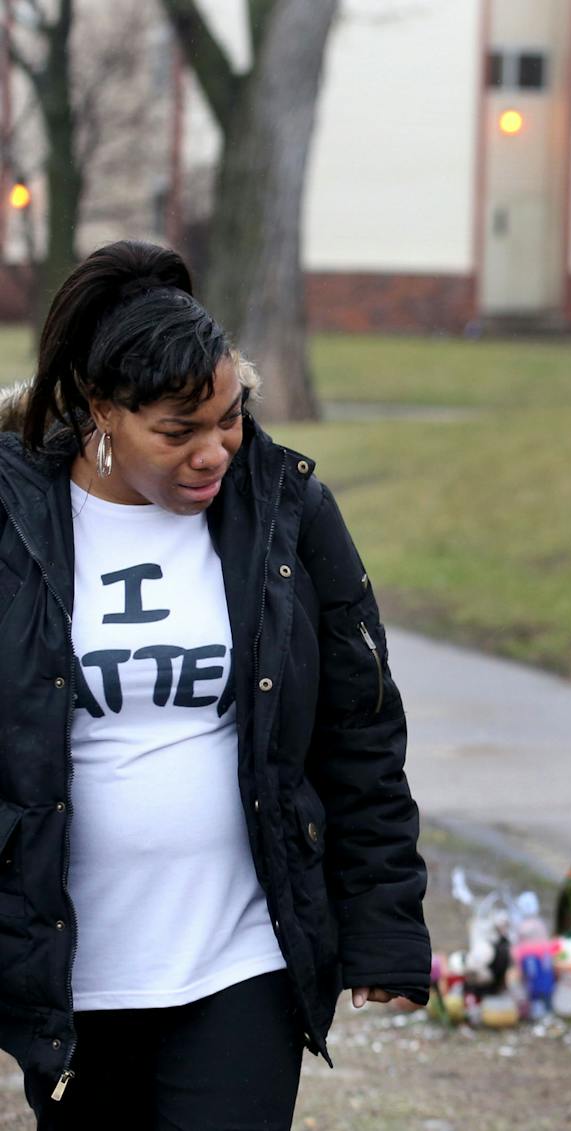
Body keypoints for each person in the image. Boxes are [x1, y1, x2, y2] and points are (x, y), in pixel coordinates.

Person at [0, 241, 431, 1129]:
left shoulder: (283, 507)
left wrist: (385, 924)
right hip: (74, 976)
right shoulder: (15, 522)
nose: (214, 452)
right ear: (102, 411)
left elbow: (361, 724)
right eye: (178, 431)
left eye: (229, 418)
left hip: (241, 959)